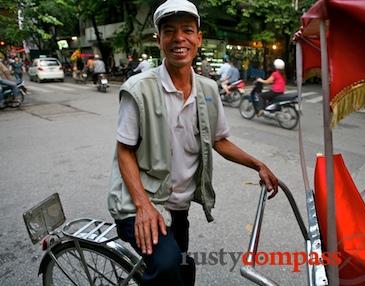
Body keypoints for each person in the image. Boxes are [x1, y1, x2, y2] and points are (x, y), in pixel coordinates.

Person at [108, 0, 278, 285]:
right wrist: (143, 206)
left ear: (198, 39)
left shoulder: (209, 89)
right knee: (167, 267)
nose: (179, 38)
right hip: (142, 203)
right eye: (169, 31)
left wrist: (258, 164)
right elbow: (124, 150)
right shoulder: (138, 89)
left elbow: (218, 141)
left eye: (187, 30)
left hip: (178, 207)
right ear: (159, 40)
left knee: (186, 268)